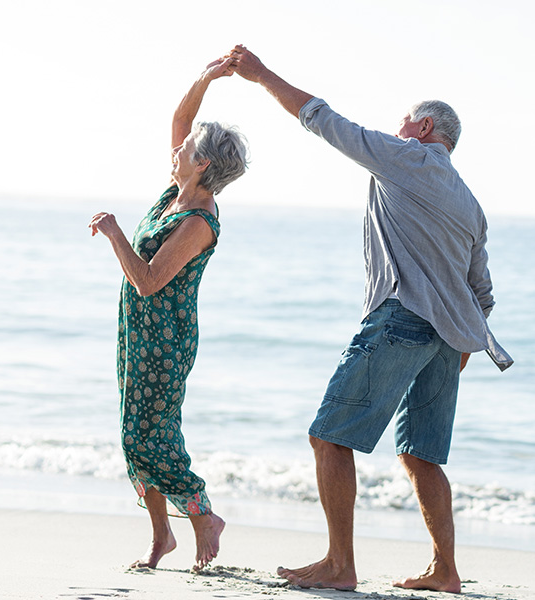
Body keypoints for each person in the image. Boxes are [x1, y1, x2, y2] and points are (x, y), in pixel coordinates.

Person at [228, 44, 513, 594]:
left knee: (329, 438)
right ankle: (445, 571)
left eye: (403, 120)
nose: (396, 127)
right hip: (448, 341)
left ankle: (340, 564)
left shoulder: (406, 157)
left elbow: (324, 120)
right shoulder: (471, 203)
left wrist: (261, 75)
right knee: (420, 454)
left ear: (423, 126)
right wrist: (458, 348)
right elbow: (483, 291)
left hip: (401, 319)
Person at [88, 56, 249, 572]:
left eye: (186, 149)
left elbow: (150, 280)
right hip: (136, 330)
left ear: (202, 164)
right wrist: (206, 78)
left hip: (165, 338)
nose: (176, 149)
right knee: (134, 432)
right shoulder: (175, 193)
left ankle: (202, 514)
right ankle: (161, 537)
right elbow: (181, 125)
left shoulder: (200, 218)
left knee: (146, 435)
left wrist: (114, 233)